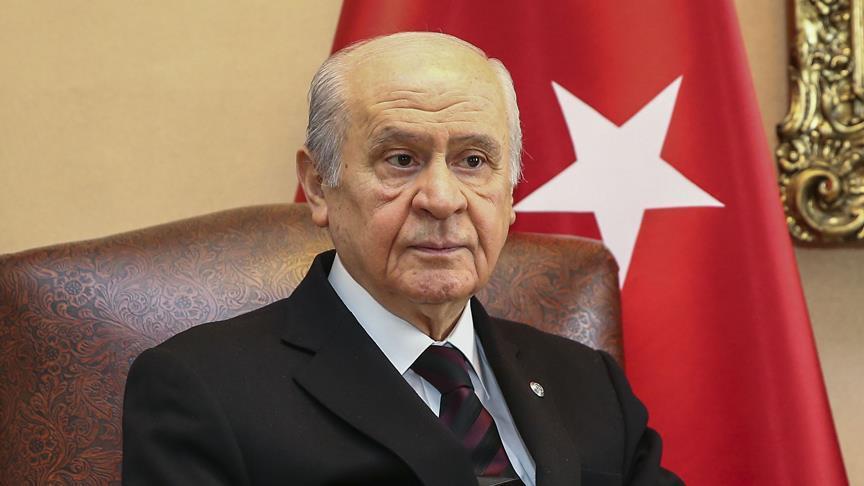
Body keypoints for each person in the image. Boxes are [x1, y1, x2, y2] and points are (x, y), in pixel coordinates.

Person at [122, 32, 682, 486]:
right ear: (318, 186)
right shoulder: (203, 390)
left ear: (510, 194)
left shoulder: (589, 383)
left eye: (473, 161)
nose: (441, 199)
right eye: (401, 159)